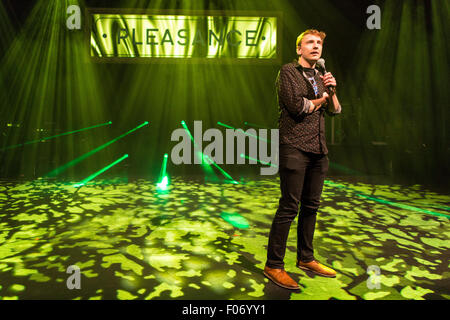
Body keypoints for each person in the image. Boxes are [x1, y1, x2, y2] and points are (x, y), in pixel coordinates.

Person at [264, 29, 342, 290]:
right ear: (299, 49)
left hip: (319, 150)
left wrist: (331, 90)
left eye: (319, 42)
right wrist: (322, 98)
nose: (315, 46)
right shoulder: (289, 72)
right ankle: (274, 265)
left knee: (312, 207)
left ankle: (306, 258)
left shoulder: (321, 77)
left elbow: (336, 110)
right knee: (289, 207)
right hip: (294, 147)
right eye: (310, 42)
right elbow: (299, 107)